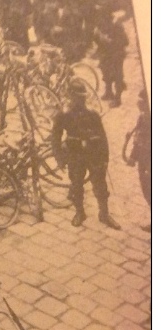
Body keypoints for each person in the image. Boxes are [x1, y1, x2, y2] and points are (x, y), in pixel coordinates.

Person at [51, 79, 120, 230]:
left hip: (93, 154)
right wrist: (60, 158)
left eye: (83, 97)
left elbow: (102, 137)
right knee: (76, 186)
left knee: (101, 187)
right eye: (78, 97)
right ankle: (80, 213)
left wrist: (105, 159)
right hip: (75, 155)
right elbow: (55, 137)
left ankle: (104, 214)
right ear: (70, 96)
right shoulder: (64, 115)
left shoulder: (92, 114)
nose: (81, 100)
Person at [123, 90, 151, 231]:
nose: (139, 103)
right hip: (143, 161)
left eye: (143, 101)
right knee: (147, 190)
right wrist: (133, 157)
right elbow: (138, 139)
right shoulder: (142, 117)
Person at [92, 13, 128, 107]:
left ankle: (118, 98)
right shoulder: (100, 26)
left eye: (101, 19)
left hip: (116, 55)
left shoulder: (117, 26)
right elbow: (97, 40)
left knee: (117, 76)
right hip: (105, 55)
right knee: (106, 74)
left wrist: (110, 41)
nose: (99, 22)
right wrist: (97, 36)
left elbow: (125, 41)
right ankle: (109, 92)